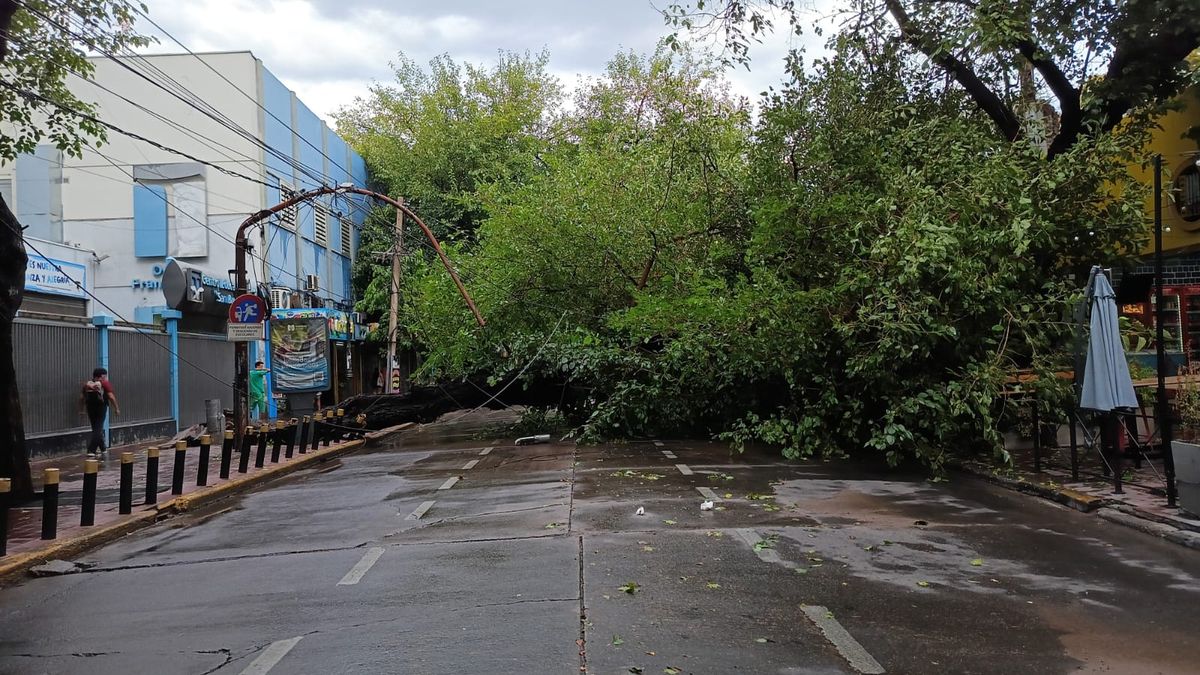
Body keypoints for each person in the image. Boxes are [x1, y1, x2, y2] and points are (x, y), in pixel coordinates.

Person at [79, 367, 119, 457]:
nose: (105, 378)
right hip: (101, 408)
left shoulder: (87, 384)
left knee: (95, 428)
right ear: (100, 376)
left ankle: (103, 448)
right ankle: (91, 450)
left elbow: (81, 398)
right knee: (98, 429)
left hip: (90, 408)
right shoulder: (104, 383)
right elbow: (111, 397)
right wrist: (116, 408)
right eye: (104, 376)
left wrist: (81, 410)